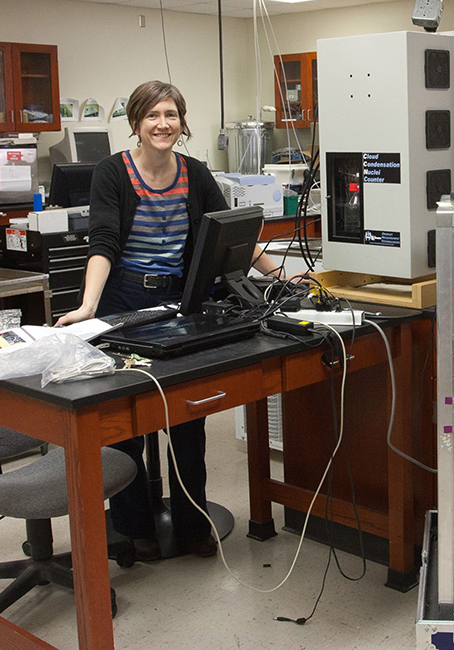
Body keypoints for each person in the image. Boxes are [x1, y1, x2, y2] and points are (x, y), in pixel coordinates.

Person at [57, 79, 282, 560]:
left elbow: (234, 236)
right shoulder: (112, 173)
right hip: (123, 303)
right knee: (127, 426)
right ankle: (133, 528)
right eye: (153, 115)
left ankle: (192, 526)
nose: (163, 124)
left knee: (187, 418)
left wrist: (283, 276)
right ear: (136, 122)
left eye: (172, 115)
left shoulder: (195, 173)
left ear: (182, 123)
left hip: (181, 304)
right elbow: (103, 243)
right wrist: (89, 307)